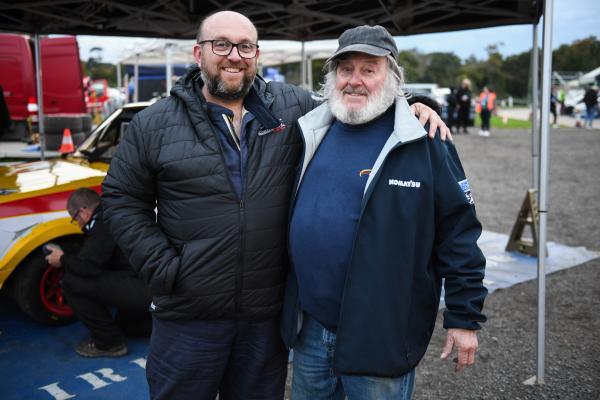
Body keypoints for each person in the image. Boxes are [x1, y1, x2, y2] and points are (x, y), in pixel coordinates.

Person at [101, 11, 449, 400]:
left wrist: (413, 104)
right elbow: (120, 197)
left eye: (245, 46)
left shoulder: (293, 108)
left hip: (264, 319)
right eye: (222, 44)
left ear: (256, 54)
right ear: (198, 53)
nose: (234, 55)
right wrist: (163, 268)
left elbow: (358, 95)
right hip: (188, 315)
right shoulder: (155, 123)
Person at [281, 25, 487, 399]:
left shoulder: (424, 140)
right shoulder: (313, 128)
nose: (354, 81)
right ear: (332, 77)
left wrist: (464, 316)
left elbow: (459, 232)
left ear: (391, 77)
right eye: (345, 70)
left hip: (380, 331)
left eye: (368, 69)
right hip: (310, 328)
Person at [45, 188, 152, 357]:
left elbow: (89, 267)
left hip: (144, 288)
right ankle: (166, 324)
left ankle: (109, 343)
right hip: (158, 283)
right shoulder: (117, 211)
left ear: (84, 212)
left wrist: (63, 259)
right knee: (125, 326)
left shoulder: (103, 224)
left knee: (71, 283)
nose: (79, 225)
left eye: (75, 219)